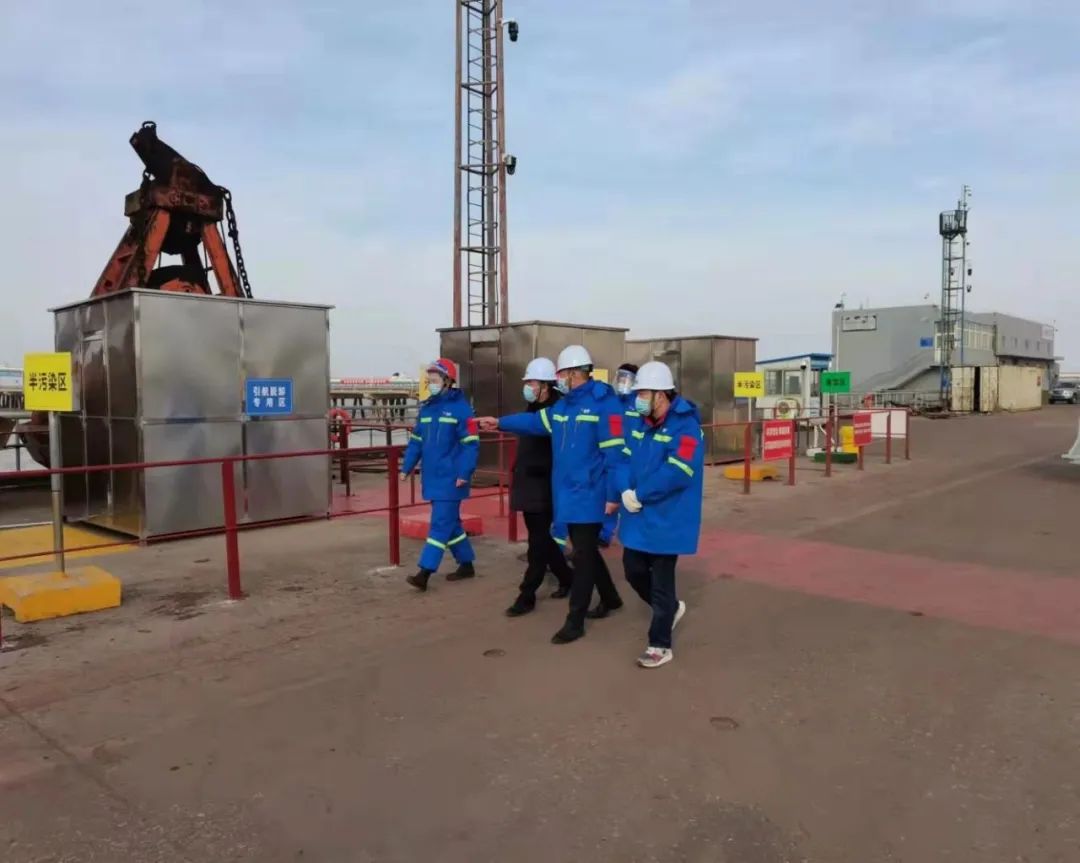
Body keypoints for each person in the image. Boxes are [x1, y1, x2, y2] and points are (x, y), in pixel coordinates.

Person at [479, 345, 628, 644]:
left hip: (590, 492)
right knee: (586, 550)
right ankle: (611, 598)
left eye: (562, 374)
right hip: (567, 493)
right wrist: (500, 422)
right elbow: (536, 422)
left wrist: (613, 495)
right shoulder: (565, 406)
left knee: (582, 556)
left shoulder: (605, 405)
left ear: (574, 373)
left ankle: (575, 621)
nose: (559, 379)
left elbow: (616, 455)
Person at [617, 360, 704, 669]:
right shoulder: (641, 424)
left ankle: (659, 645)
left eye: (643, 394)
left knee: (662, 581)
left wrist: (640, 493)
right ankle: (670, 608)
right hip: (639, 514)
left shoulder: (687, 427)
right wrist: (624, 490)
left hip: (668, 517)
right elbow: (623, 457)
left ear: (661, 395)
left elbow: (678, 471)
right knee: (632, 570)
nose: (638, 399)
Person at [401, 358, 480, 591]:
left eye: (434, 380)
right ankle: (466, 564)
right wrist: (406, 467)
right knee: (451, 524)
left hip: (452, 479)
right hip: (432, 478)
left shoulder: (462, 410)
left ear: (447, 381)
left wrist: (465, 472)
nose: (431, 384)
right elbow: (416, 441)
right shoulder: (427, 409)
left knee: (439, 524)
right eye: (429, 380)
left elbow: (471, 445)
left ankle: (424, 573)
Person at [504, 357, 575, 616]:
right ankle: (567, 577)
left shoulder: (556, 411)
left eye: (532, 382)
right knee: (542, 538)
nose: (528, 387)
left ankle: (527, 594)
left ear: (546, 386)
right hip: (528, 481)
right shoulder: (532, 407)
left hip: (544, 483)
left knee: (537, 542)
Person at [600, 363, 641, 547]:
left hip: (631, 459)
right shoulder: (612, 402)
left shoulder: (638, 404)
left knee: (628, 497)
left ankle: (629, 534)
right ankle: (605, 534)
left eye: (627, 378)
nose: (623, 382)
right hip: (611, 456)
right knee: (610, 495)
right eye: (621, 377)